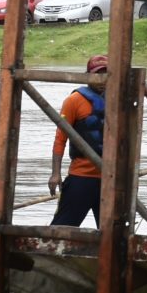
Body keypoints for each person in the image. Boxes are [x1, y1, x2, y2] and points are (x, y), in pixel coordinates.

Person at [48, 54, 111, 228]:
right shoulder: (74, 101)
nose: (102, 80)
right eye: (98, 74)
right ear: (87, 75)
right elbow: (60, 138)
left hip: (109, 179)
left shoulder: (117, 101)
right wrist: (56, 173)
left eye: (106, 74)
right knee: (62, 228)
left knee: (111, 232)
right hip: (81, 177)